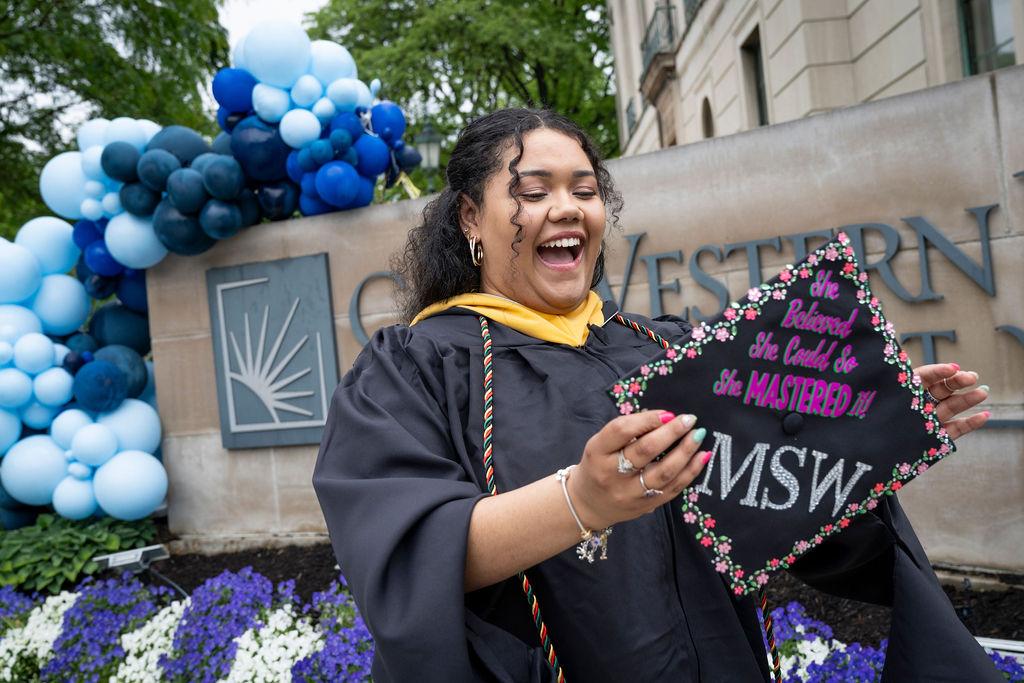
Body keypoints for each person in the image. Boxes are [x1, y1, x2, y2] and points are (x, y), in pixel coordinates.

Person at [312, 108, 1000, 682]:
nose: (567, 209)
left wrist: (875, 434)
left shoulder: (668, 347)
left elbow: (777, 506)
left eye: (585, 190)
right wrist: (580, 500)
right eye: (533, 190)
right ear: (469, 216)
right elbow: (408, 554)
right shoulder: (417, 366)